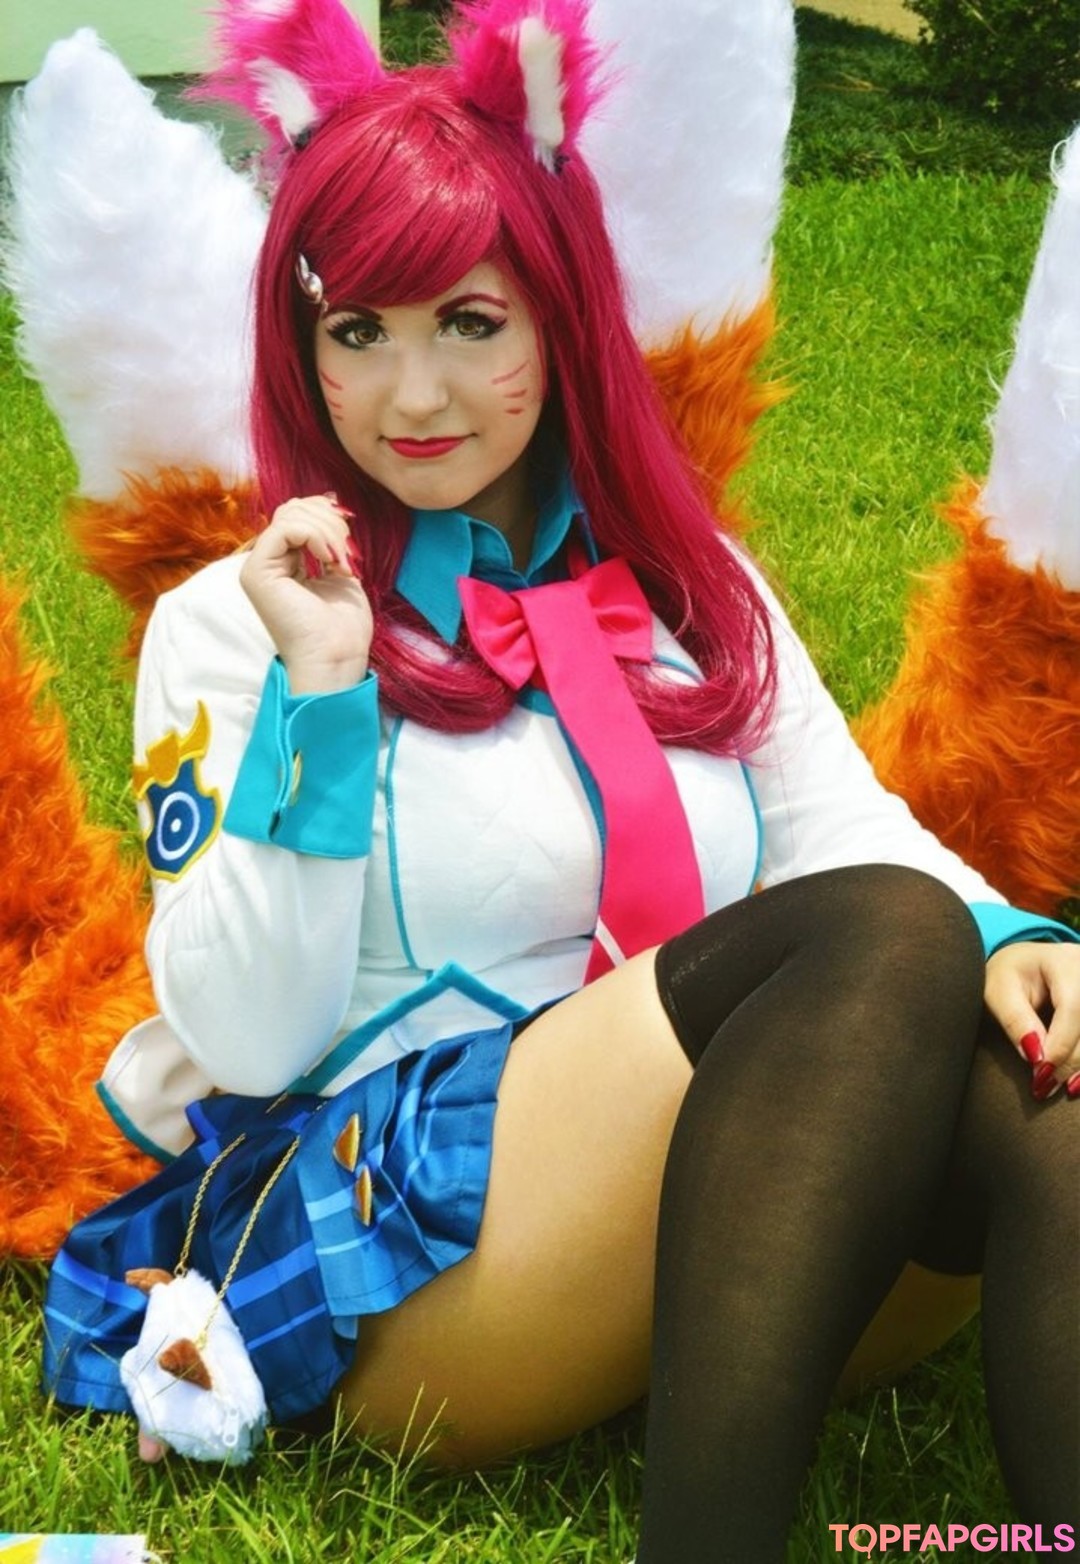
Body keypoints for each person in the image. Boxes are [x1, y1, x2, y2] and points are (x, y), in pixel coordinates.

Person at [39, 0, 1079, 1556]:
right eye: (358, 332)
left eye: (470, 323)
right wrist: (323, 695)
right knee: (883, 932)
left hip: (746, 1194)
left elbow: (839, 823)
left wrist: (1019, 941)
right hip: (410, 1257)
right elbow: (247, 1036)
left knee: (1046, 1063)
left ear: (559, 321)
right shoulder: (230, 627)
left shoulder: (686, 582)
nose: (414, 397)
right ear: (301, 349)